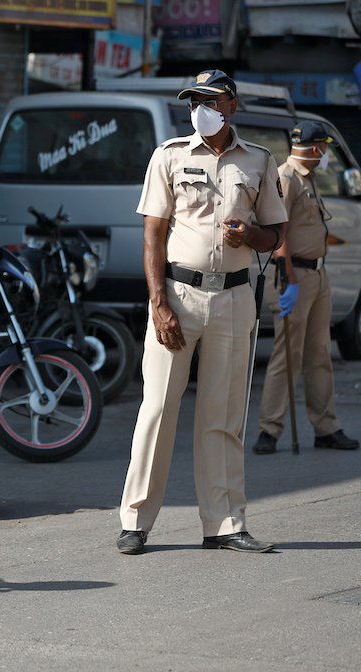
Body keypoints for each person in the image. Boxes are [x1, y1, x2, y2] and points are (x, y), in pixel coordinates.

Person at [116, 70, 288, 555]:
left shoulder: (259, 160)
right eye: (194, 101)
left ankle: (225, 525)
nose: (200, 109)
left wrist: (249, 237)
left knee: (224, 416)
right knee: (157, 410)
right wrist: (158, 303)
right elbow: (153, 234)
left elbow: (275, 235)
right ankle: (135, 521)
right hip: (179, 297)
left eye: (209, 100)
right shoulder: (169, 155)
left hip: (235, 299)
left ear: (231, 106)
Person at [251, 121, 359, 454]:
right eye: (324, 147)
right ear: (316, 149)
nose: (326, 153)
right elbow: (276, 232)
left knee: (319, 354)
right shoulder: (287, 178)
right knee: (288, 356)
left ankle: (326, 428)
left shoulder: (308, 178)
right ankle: (269, 430)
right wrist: (289, 279)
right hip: (293, 275)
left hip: (317, 276)